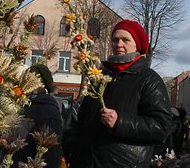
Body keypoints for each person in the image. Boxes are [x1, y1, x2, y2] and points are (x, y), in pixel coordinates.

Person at [68, 20, 173, 168]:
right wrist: (71, 151)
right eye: (115, 39)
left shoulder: (149, 79)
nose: (119, 44)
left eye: (125, 40)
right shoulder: (100, 76)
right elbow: (81, 120)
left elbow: (161, 127)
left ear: (137, 44)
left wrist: (120, 122)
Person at [11, 64, 63, 168]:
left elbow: (51, 153)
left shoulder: (48, 110)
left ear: (40, 84)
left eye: (30, 79)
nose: (25, 83)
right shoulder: (24, 105)